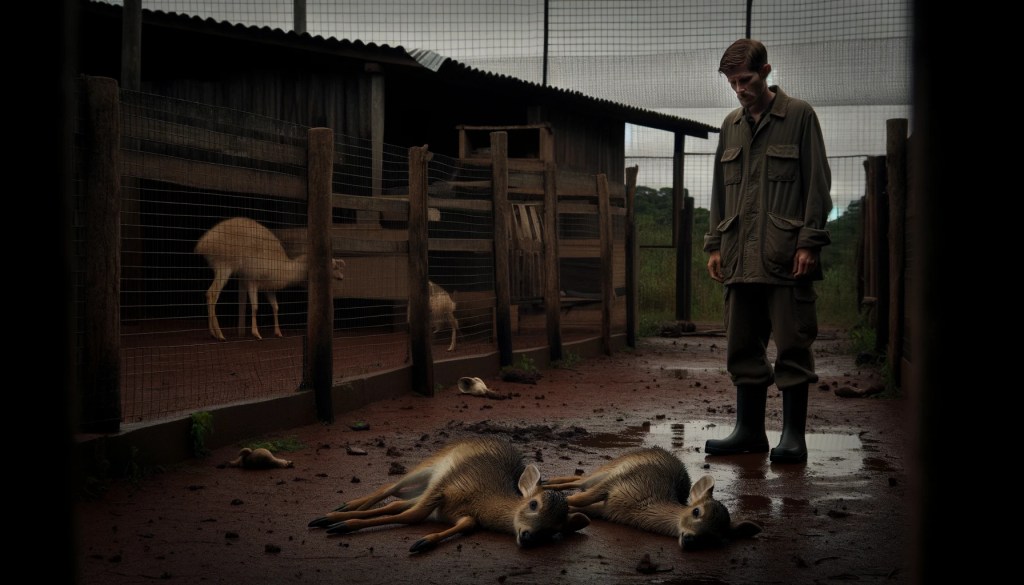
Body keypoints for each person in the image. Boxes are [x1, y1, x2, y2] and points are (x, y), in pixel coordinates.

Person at [702, 38, 833, 464]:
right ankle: (749, 432)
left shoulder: (799, 116)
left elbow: (817, 183)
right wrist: (715, 245)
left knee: (793, 345)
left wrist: (809, 241)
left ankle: (793, 436)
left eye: (745, 80)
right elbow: (719, 191)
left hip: (786, 256)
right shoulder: (731, 125)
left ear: (766, 72)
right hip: (738, 256)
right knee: (741, 346)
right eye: (732, 83)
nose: (739, 89)